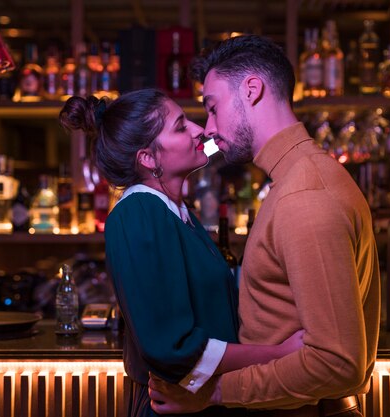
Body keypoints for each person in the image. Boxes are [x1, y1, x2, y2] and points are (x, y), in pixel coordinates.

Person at [148, 35, 380, 417]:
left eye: (213, 107)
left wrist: (214, 392)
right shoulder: (295, 182)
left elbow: (336, 363)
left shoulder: (304, 196)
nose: (207, 128)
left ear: (252, 90)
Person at [58, 89, 304, 417]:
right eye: (180, 126)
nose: (199, 129)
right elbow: (171, 346)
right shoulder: (138, 213)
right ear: (148, 158)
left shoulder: (176, 212)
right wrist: (275, 354)